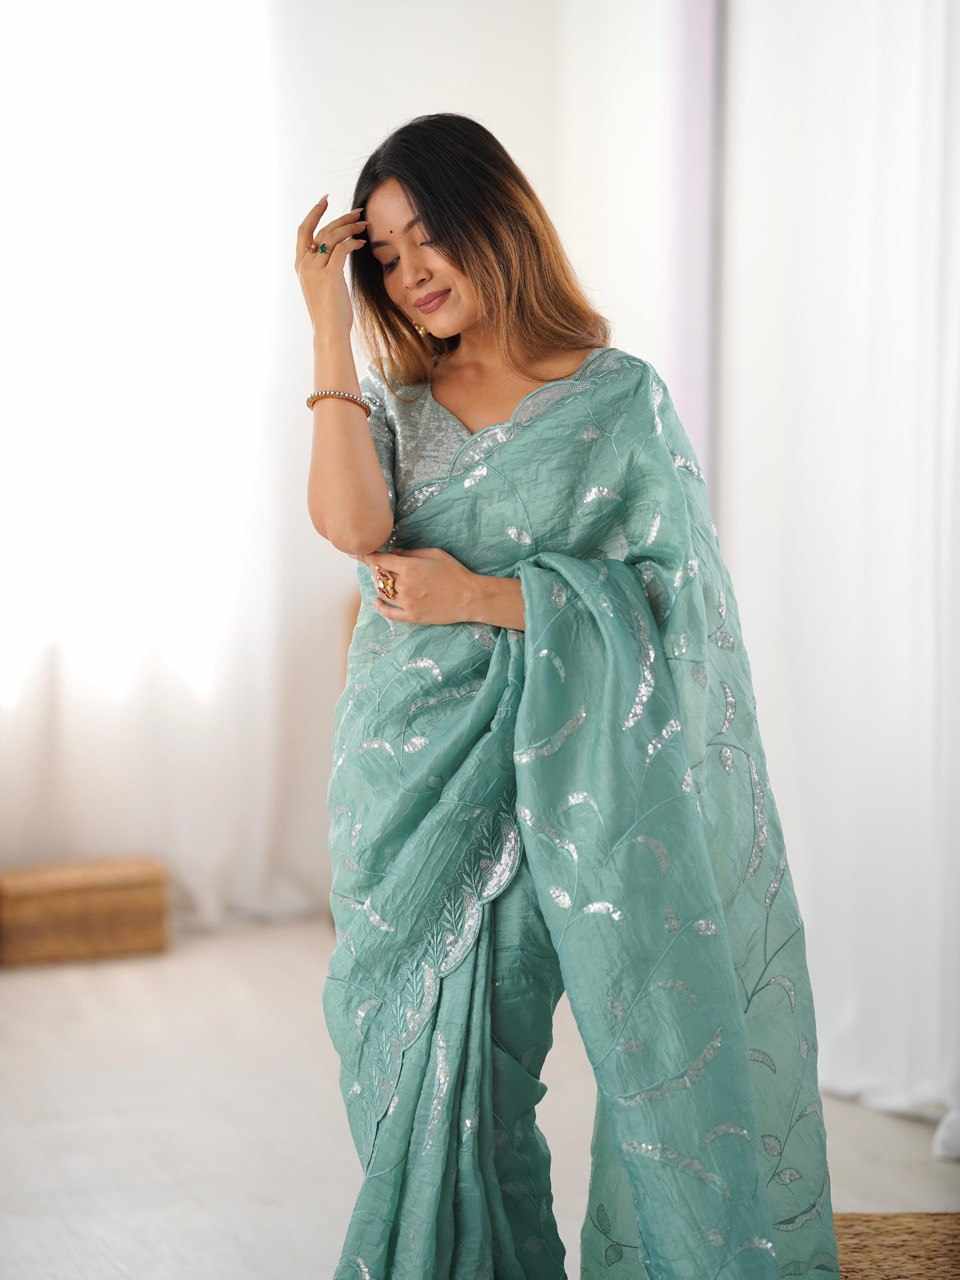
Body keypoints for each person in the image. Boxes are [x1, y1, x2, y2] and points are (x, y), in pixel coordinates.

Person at [296, 112, 840, 1280]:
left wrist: (481, 597)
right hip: (406, 783)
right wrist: (329, 330)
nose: (410, 269)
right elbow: (349, 525)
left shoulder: (618, 399)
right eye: (383, 253)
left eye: (428, 233)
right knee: (417, 1082)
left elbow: (678, 608)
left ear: (496, 215)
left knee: (515, 1061)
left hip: (566, 776)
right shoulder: (396, 406)